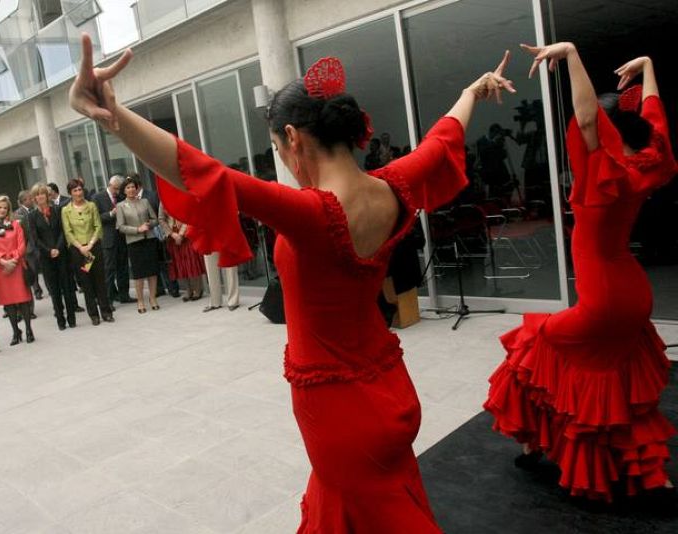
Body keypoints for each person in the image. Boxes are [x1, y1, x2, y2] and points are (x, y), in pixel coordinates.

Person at [69, 34, 513, 531]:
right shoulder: (392, 186)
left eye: (278, 148)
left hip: (338, 413)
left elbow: (197, 170)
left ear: (293, 139)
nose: (282, 160)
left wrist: (113, 115)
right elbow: (442, 139)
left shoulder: (312, 213)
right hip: (391, 391)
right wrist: (473, 91)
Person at [485, 44, 677, 502]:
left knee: (528, 355)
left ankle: (543, 443)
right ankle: (654, 477)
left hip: (603, 301)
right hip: (631, 293)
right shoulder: (647, 163)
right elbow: (654, 117)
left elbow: (589, 118)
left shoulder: (603, 168)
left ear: (609, 134)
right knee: (609, 380)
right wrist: (649, 66)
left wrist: (571, 55)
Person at [0, 195, 35, 345]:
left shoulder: (16, 224)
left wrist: (14, 259)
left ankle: (29, 329)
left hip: (17, 265)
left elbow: (22, 244)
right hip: (0, 268)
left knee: (23, 299)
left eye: (5, 208)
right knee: (8, 302)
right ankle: (15, 331)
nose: (2, 210)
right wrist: (3, 260)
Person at [62, 178, 114, 325]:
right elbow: (68, 232)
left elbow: (98, 226)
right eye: (75, 190)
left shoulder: (91, 206)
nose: (79, 193)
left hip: (94, 247)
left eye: (80, 189)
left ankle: (106, 311)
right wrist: (81, 247)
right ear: (70, 193)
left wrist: (90, 244)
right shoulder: (66, 210)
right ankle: (93, 314)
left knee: (100, 279)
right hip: (79, 251)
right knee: (86, 282)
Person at [30, 182, 78, 330]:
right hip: (46, 258)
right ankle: (60, 319)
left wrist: (57, 248)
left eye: (42, 193)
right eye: (37, 194)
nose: (40, 197)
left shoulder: (57, 210)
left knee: (67, 287)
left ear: (47, 195)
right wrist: (49, 251)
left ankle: (71, 317)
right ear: (34, 198)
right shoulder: (32, 216)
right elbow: (35, 239)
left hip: (62, 254)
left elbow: (64, 231)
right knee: (54, 290)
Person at [116, 175, 160, 313]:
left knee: (152, 272)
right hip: (134, 242)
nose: (131, 190)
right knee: (139, 274)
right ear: (124, 190)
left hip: (149, 239)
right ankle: (140, 301)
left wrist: (149, 224)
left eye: (133, 187)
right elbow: (121, 226)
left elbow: (155, 219)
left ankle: (153, 298)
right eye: (128, 187)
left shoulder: (145, 202)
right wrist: (137, 229)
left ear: (137, 188)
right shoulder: (120, 206)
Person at [93, 175, 133, 304]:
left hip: (121, 237)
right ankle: (109, 299)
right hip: (108, 239)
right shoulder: (97, 198)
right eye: (116, 189)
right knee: (109, 270)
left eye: (119, 189)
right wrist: (111, 213)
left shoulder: (121, 197)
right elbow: (96, 218)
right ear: (110, 185)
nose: (117, 192)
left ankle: (124, 295)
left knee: (123, 268)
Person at [158, 204, 205, 302]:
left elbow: (189, 215)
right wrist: (172, 234)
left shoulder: (182, 193)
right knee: (180, 265)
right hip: (172, 238)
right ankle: (188, 290)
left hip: (187, 235)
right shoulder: (163, 200)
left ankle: (198, 289)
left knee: (192, 262)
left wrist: (181, 234)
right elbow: (161, 219)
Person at [14, 190, 43, 302]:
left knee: (42, 268)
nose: (32, 200)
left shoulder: (36, 210)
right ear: (24, 201)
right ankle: (37, 290)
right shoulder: (18, 214)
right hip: (28, 247)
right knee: (33, 269)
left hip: (39, 244)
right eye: (29, 199)